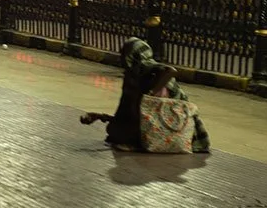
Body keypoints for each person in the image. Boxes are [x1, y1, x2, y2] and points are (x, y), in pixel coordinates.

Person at [79, 37, 211, 153]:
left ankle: (139, 142)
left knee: (121, 133)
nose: (122, 58)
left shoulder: (146, 69)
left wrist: (151, 93)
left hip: (167, 118)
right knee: (114, 130)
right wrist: (98, 116)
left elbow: (170, 71)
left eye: (124, 53)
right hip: (146, 117)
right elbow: (125, 112)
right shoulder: (132, 76)